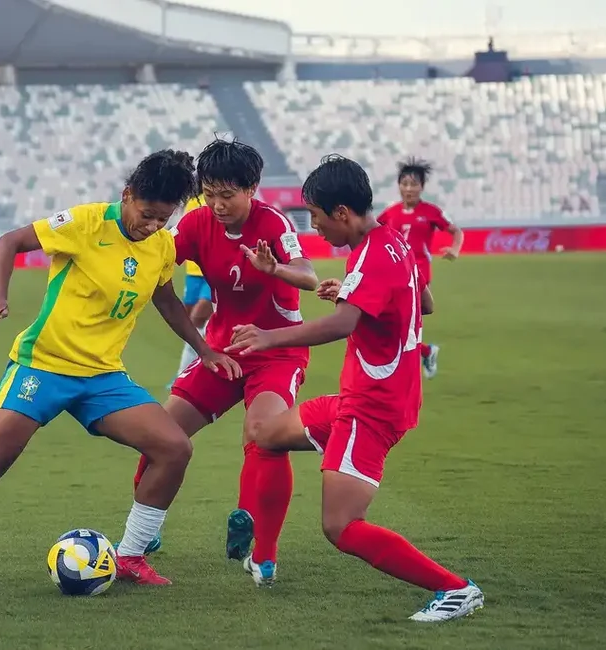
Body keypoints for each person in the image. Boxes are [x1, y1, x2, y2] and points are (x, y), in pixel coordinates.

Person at [0, 150, 241, 598]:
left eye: (163, 219)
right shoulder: (85, 222)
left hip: (103, 378)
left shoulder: (161, 245)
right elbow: (8, 242)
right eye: (147, 214)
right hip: (43, 366)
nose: (153, 226)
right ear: (127, 195)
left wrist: (204, 350)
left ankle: (131, 556)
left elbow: (166, 299)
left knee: (173, 448)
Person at [228, 154, 483, 622]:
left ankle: (455, 589)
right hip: (361, 399)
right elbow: (423, 301)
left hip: (372, 409)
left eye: (317, 217)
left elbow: (344, 324)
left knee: (340, 526)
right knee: (265, 436)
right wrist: (354, 289)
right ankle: (263, 559)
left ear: (342, 212)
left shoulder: (373, 253)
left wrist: (270, 337)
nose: (315, 227)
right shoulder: (392, 240)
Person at [131, 138, 318, 585]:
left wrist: (275, 269)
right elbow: (155, 259)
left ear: (252, 189)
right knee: (161, 435)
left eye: (227, 195)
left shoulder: (273, 222)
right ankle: (145, 529)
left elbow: (309, 276)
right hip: (222, 350)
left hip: (276, 352)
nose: (216, 205)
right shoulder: (197, 222)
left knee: (264, 435)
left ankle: (262, 553)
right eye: (209, 193)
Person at [378, 159, 463, 379]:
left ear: (422, 187)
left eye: (414, 184)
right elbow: (372, 233)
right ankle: (425, 352)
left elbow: (456, 231)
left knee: (402, 324)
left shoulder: (431, 211)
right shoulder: (390, 213)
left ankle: (406, 367)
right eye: (404, 183)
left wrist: (455, 249)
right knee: (392, 323)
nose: (409, 188)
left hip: (419, 275)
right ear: (399, 185)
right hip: (393, 274)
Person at [171, 195, 215, 383]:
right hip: (193, 272)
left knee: (197, 319)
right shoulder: (192, 202)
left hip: (211, 273)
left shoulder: (216, 202)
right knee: (191, 323)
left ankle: (187, 375)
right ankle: (187, 372)